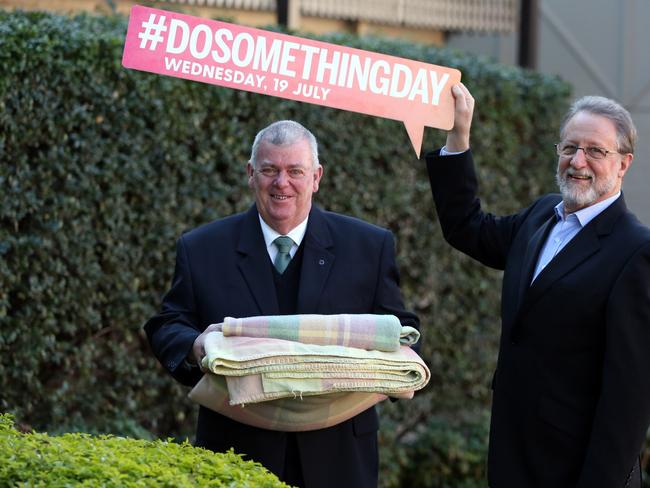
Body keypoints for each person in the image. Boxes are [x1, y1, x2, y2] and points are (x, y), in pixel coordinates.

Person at [145, 120, 419, 487]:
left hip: (339, 459)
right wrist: (196, 346)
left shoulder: (369, 247)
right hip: (234, 452)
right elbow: (168, 324)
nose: (281, 183)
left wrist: (390, 373)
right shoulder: (201, 248)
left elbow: (397, 329)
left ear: (316, 177)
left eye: (295, 171)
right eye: (269, 170)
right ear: (250, 174)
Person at [425, 83, 650, 487]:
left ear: (623, 164)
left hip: (575, 471)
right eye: (569, 147)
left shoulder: (636, 251)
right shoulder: (543, 214)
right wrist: (458, 138)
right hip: (514, 454)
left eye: (595, 150)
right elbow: (467, 227)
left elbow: (629, 400)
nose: (578, 161)